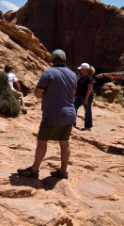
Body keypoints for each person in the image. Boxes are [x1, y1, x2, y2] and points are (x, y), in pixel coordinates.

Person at [17, 49, 77, 179]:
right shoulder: (73, 75)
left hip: (53, 113)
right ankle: (63, 171)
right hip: (70, 113)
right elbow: (73, 93)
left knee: (42, 141)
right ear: (64, 60)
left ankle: (34, 170)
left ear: (52, 60)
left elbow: (38, 94)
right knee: (64, 142)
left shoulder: (49, 73)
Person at [73, 63, 94, 130]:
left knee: (87, 111)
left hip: (85, 97)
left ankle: (88, 126)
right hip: (79, 96)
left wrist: (86, 98)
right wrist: (75, 94)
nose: (80, 70)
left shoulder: (89, 77)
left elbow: (90, 88)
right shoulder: (82, 77)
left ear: (85, 69)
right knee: (73, 108)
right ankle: (72, 123)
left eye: (81, 69)